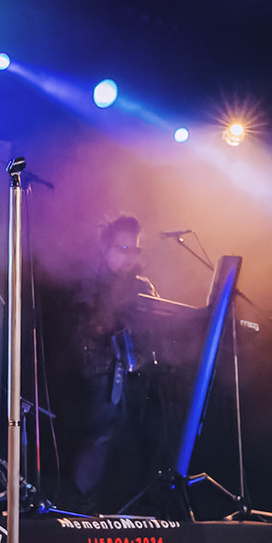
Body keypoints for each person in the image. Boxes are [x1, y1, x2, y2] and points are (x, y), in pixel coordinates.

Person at [68, 216, 165, 512]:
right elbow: (88, 329)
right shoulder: (89, 284)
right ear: (105, 249)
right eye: (122, 248)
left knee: (142, 441)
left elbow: (161, 326)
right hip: (101, 376)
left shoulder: (142, 285)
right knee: (101, 438)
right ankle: (84, 510)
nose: (129, 256)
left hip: (140, 377)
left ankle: (136, 508)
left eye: (134, 250)